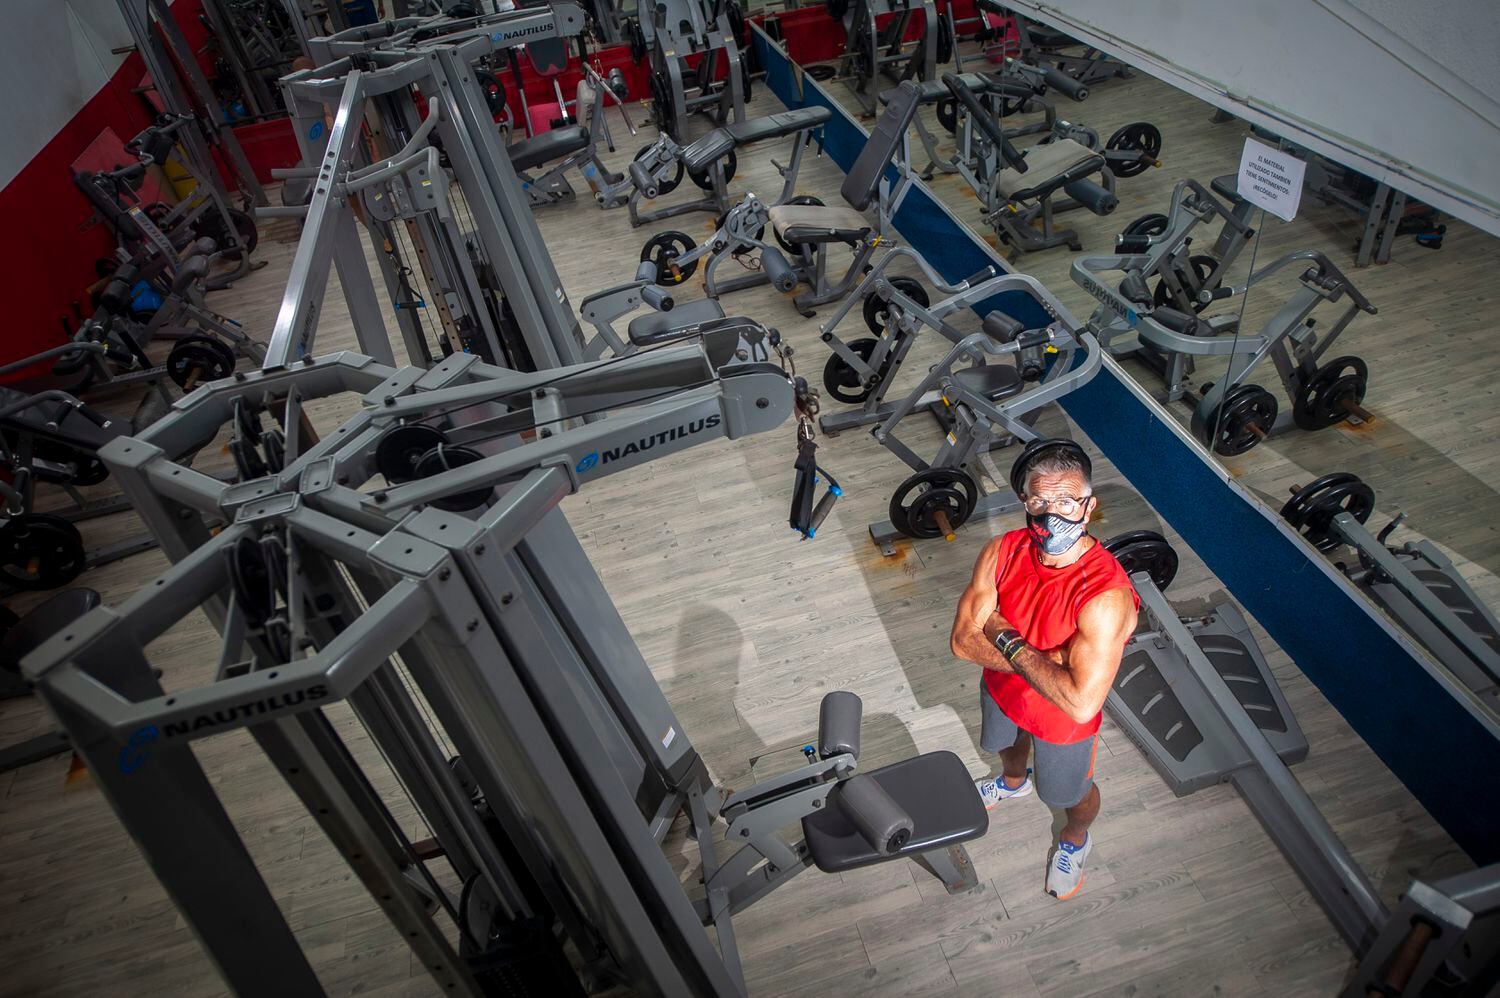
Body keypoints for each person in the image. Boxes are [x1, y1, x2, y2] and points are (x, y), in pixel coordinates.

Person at [949, 438, 1138, 900]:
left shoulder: (1105, 595)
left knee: (1067, 795)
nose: (1052, 514)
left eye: (1067, 502)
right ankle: (1012, 784)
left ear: (1089, 507)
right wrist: (1049, 660)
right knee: (1004, 749)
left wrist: (1002, 634)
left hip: (1061, 723)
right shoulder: (1002, 550)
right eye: (1040, 501)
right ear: (1025, 502)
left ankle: (1075, 840)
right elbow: (960, 643)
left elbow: (1079, 700)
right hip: (1001, 690)